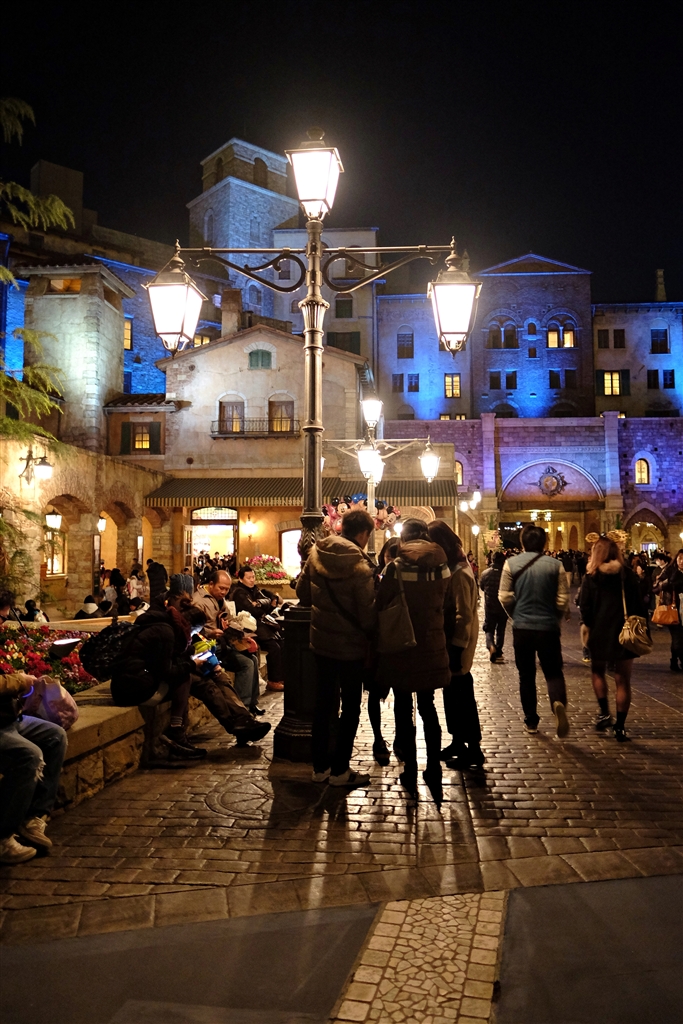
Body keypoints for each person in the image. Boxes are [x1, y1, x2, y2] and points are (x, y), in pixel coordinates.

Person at [296, 509, 377, 788]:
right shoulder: (360, 565)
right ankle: (340, 770)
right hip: (351, 648)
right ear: (363, 533)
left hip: (321, 644)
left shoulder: (316, 553)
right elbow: (367, 615)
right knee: (350, 707)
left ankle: (320, 767)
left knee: (323, 704)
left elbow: (302, 593)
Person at [376, 519, 451, 800]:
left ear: (404, 539)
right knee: (428, 706)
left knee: (403, 707)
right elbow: (447, 601)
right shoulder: (441, 565)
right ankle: (434, 767)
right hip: (432, 643)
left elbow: (382, 603)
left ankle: (409, 768)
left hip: (402, 644)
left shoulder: (395, 567)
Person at [0, 591, 68, 863]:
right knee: (29, 756)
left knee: (55, 736)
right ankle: (3, 836)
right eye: (1, 618)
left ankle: (34, 816)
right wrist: (19, 681)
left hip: (8, 719)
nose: (3, 623)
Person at [498, 524, 570, 737]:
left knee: (526, 675)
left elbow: (504, 596)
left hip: (522, 628)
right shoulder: (556, 565)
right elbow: (562, 599)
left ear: (522, 543)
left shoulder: (511, 564)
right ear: (544, 543)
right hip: (548, 628)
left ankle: (531, 720)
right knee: (553, 672)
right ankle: (557, 702)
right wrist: (555, 617)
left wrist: (516, 614)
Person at [428, 521, 484, 772]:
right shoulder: (453, 567)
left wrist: (458, 647)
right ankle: (458, 741)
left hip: (457, 644)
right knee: (452, 695)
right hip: (451, 642)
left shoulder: (460, 573)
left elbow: (464, 615)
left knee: (462, 697)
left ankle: (473, 747)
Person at [579, 537, 648, 741]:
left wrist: (588, 626)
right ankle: (620, 727)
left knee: (598, 672)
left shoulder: (591, 576)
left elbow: (585, 607)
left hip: (599, 632)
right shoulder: (626, 575)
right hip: (624, 632)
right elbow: (638, 604)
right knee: (623, 680)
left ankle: (604, 712)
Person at [193, 569, 264, 714]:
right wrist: (211, 633)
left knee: (254, 659)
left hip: (223, 644)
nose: (224, 592)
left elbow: (229, 618)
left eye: (227, 589)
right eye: (221, 588)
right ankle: (241, 708)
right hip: (208, 649)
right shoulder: (198, 601)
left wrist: (240, 632)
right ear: (211, 584)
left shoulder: (219, 599)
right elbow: (193, 629)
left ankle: (252, 703)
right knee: (247, 664)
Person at [230, 567, 284, 691]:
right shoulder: (239, 593)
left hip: (261, 625)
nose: (252, 580)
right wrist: (263, 606)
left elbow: (268, 602)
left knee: (281, 642)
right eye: (248, 578)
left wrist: (259, 603)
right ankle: (273, 680)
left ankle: (280, 677)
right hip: (249, 627)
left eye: (253, 577)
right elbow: (252, 610)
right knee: (273, 647)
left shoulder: (255, 589)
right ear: (241, 579)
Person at [653, 548, 683, 670]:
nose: (682, 561)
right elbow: (657, 585)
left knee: (679, 638)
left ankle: (674, 661)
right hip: (673, 608)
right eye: (680, 558)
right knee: (677, 637)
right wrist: (669, 583)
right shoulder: (671, 570)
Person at [479, 551, 507, 662]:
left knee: (489, 629)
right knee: (501, 629)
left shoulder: (485, 573)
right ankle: (498, 652)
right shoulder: (505, 574)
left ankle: (491, 645)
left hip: (490, 606)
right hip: (503, 606)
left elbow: (482, 587)